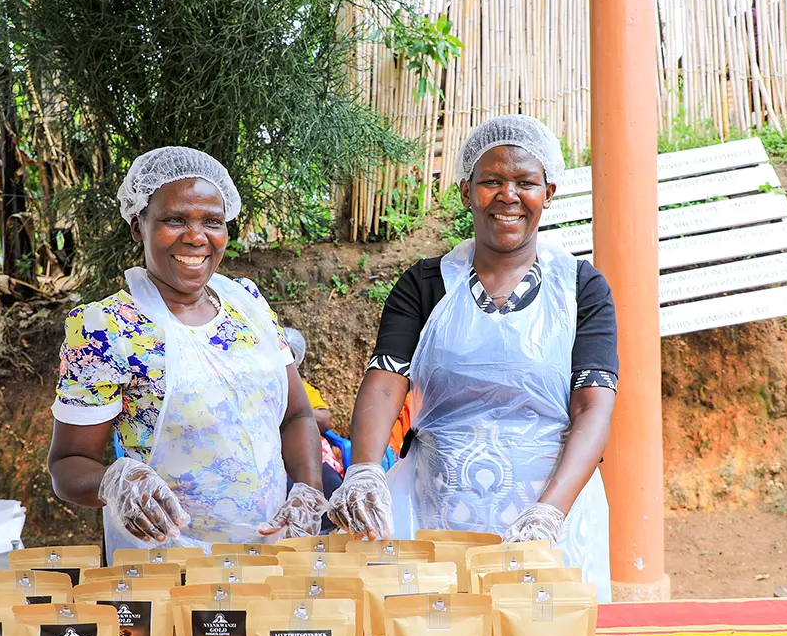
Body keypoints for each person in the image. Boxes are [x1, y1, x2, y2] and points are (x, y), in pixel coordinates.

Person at [328, 115, 618, 602]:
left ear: (548, 192)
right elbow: (384, 380)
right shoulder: (425, 284)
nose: (509, 196)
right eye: (491, 181)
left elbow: (593, 406)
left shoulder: (580, 288)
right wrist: (363, 469)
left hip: (553, 519)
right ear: (466, 192)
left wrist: (548, 515)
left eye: (525, 183)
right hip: (434, 515)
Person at [46, 146, 327, 563]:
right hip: (167, 567)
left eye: (212, 221)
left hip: (271, 556)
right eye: (174, 219)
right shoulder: (107, 329)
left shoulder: (247, 304)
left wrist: (307, 490)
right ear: (137, 224)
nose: (196, 237)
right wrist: (117, 481)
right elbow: (68, 464)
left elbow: (297, 415)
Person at [283, 327, 345, 498]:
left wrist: (296, 410)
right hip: (273, 457)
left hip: (303, 451)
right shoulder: (256, 386)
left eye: (288, 357)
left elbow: (325, 420)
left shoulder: (304, 390)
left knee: (330, 486)